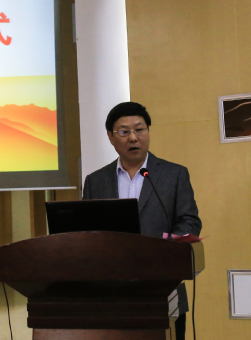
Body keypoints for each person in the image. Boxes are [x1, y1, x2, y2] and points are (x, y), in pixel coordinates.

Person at [82, 102, 202, 340]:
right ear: (111, 137)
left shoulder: (174, 174)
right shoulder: (96, 181)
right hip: (111, 292)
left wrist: (165, 247)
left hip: (164, 287)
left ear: (148, 132)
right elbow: (87, 230)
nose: (133, 138)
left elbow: (189, 221)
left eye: (139, 129)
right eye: (124, 132)